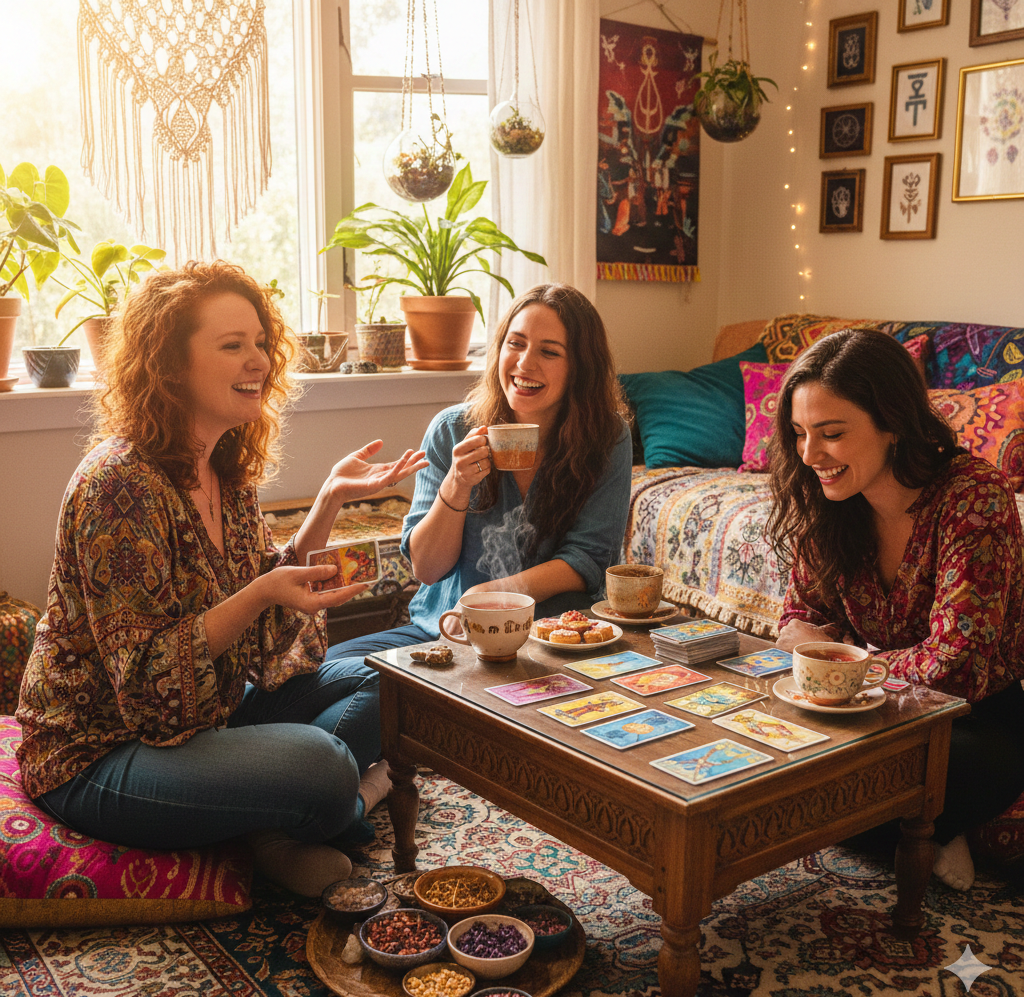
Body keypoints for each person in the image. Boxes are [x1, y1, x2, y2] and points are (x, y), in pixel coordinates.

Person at [15, 262, 427, 897]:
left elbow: (263, 615)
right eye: (232, 346)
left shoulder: (226, 468)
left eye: (260, 342)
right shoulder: (118, 486)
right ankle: (328, 806)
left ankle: (270, 823)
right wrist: (262, 592)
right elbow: (147, 689)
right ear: (170, 366)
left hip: (209, 715)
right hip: (102, 752)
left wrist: (328, 503)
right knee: (323, 765)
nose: (258, 360)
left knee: (394, 679)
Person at [766, 328, 1024, 891]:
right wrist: (829, 657)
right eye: (800, 434)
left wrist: (847, 663)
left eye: (831, 434)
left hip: (972, 724)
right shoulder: (829, 502)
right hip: (863, 709)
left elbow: (957, 664)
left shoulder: (972, 496)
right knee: (773, 775)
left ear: (893, 424)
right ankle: (927, 832)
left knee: (831, 795)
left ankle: (926, 826)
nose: (810, 456)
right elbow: (796, 622)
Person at [324, 282, 633, 668]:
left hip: (550, 638)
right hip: (443, 628)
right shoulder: (451, 429)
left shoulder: (608, 438)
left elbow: (587, 558)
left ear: (580, 369)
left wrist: (491, 595)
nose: (524, 364)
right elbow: (426, 567)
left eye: (549, 352)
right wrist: (456, 485)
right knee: (324, 668)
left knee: (362, 706)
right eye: (515, 344)